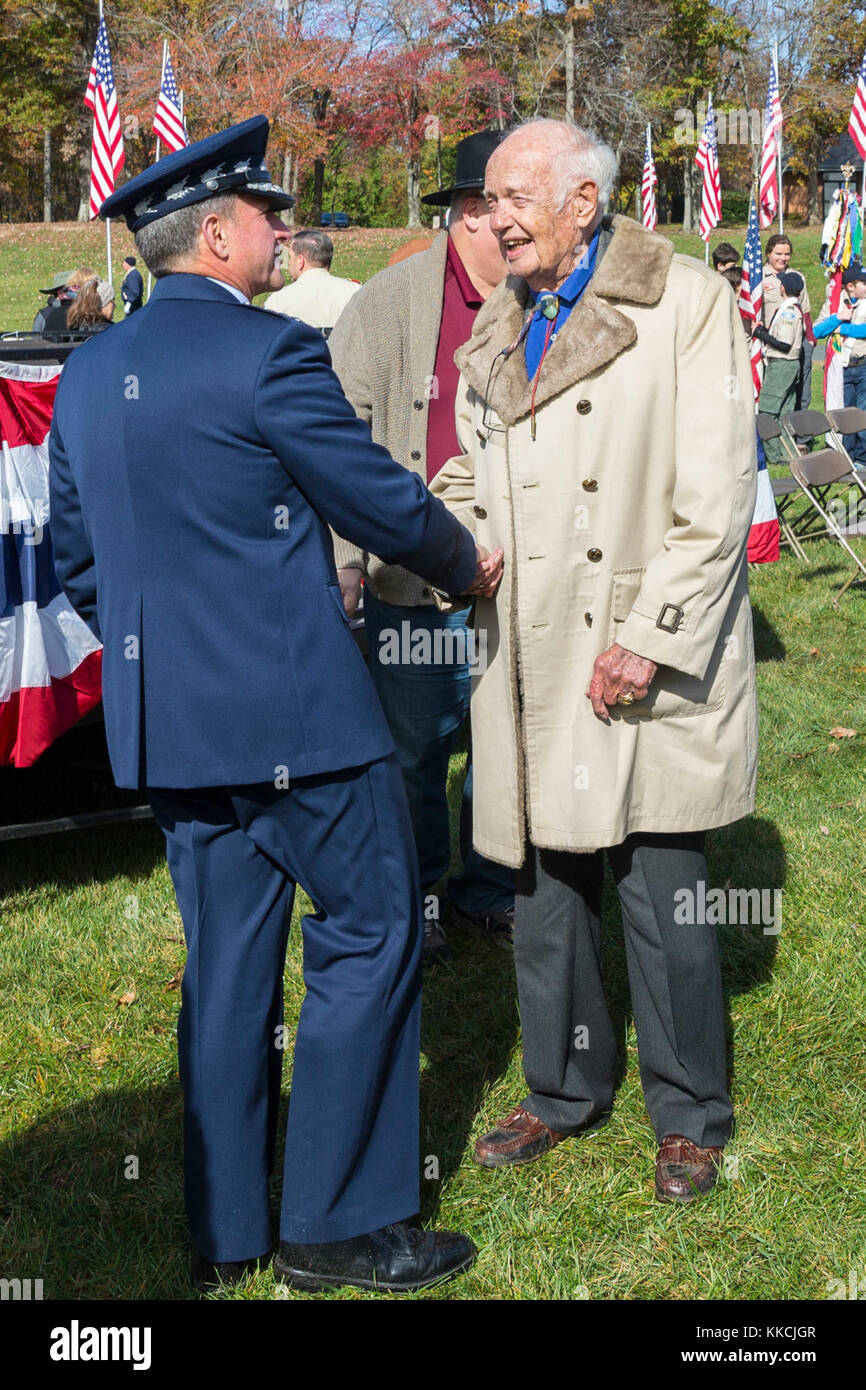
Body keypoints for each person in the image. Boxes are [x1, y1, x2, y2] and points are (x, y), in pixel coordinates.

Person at [49, 114, 502, 1295]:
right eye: (266, 215)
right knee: (368, 933)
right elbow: (375, 499)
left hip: (170, 729)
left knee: (229, 967)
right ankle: (339, 1225)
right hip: (300, 719)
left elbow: (78, 554)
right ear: (215, 235)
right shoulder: (267, 354)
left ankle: (228, 1223)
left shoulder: (89, 370)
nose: (281, 229)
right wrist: (463, 561)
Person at [431, 118, 758, 1203]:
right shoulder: (496, 315)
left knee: (662, 894)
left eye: (516, 195)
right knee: (540, 891)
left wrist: (649, 639)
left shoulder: (684, 300)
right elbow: (465, 472)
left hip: (632, 648)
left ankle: (687, 1110)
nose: (495, 218)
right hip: (522, 648)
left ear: (583, 202)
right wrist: (444, 542)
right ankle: (563, 1086)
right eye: (487, 199)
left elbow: (712, 502)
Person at [329, 129, 515, 963]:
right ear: (472, 213)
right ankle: (420, 896)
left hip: (522, 579)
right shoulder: (388, 303)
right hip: (414, 577)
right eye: (509, 205)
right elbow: (337, 445)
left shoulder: (549, 298)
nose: (524, 226)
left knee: (507, 747)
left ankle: (489, 889)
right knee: (413, 754)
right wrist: (346, 561)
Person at [813, 262, 866, 465]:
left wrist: (843, 330)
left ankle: (862, 456)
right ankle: (846, 454)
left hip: (862, 364)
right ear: (850, 286)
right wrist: (838, 318)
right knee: (844, 412)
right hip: (841, 368)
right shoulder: (835, 303)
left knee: (862, 412)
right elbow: (817, 332)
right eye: (864, 283)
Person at [263, 228, 358, 335]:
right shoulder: (355, 292)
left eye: (290, 257)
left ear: (300, 261)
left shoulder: (277, 301)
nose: (289, 263)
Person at [764, 233, 816, 425]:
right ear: (768, 253)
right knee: (773, 394)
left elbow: (806, 312)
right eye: (778, 253)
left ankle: (800, 438)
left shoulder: (797, 277)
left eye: (787, 254)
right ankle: (771, 434)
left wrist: (810, 341)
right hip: (771, 342)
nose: (783, 258)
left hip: (797, 341)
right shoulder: (760, 278)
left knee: (802, 390)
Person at [755, 270, 804, 459]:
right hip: (788, 366)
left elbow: (783, 343)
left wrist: (761, 334)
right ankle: (787, 454)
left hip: (782, 365)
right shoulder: (790, 308)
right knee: (785, 411)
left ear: (782, 288)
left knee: (768, 409)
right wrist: (765, 330)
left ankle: (773, 454)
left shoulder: (789, 313)